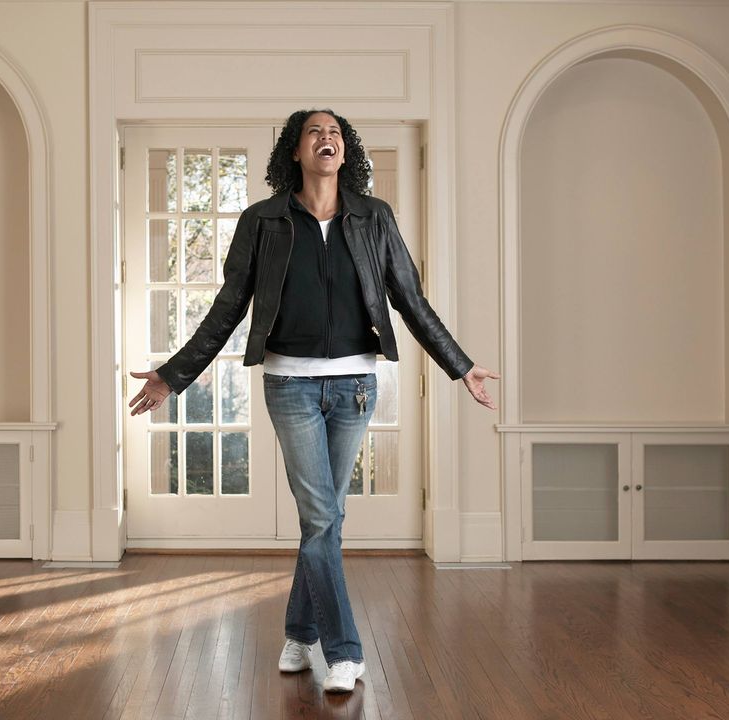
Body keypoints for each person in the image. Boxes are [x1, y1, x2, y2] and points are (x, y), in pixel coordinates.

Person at [128, 109, 499, 693]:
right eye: (313, 133)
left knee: (323, 519)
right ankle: (344, 650)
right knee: (322, 516)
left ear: (344, 152)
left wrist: (461, 366)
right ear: (295, 152)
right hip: (290, 384)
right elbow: (229, 307)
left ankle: (300, 632)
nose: (326, 140)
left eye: (335, 134)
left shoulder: (374, 218)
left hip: (355, 385)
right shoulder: (263, 221)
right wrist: (174, 376)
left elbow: (409, 298)